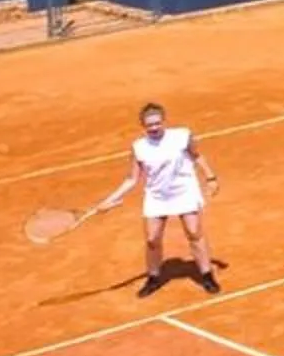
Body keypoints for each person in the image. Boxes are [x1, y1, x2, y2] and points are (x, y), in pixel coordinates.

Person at [92, 101, 221, 297]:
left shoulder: (182, 136)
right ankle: (153, 277)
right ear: (143, 126)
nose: (154, 128)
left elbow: (197, 156)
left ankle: (206, 274)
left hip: (184, 190)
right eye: (149, 125)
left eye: (157, 123)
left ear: (164, 122)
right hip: (157, 196)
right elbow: (131, 179)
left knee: (194, 232)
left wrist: (210, 177)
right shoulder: (139, 148)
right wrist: (108, 200)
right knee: (152, 239)